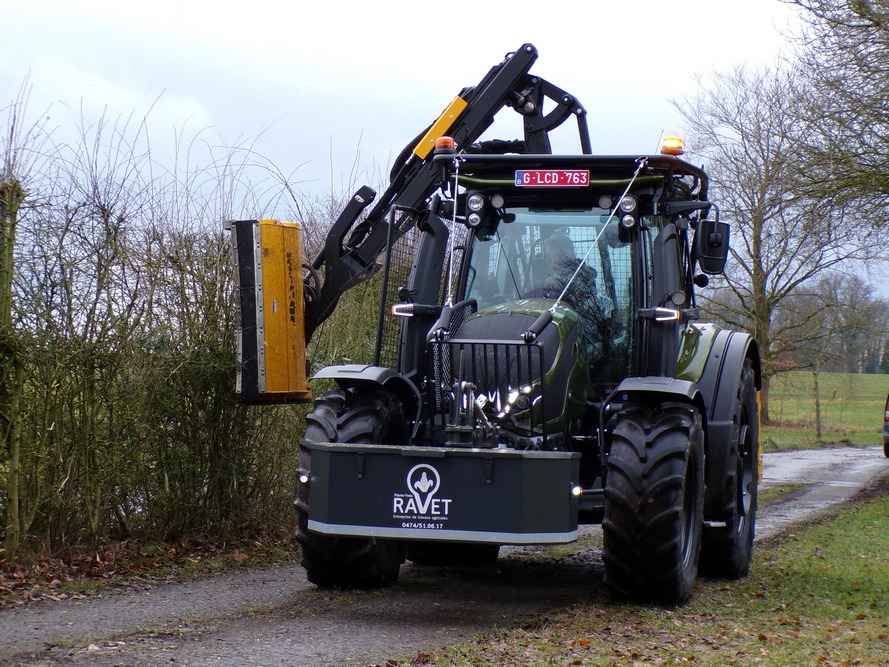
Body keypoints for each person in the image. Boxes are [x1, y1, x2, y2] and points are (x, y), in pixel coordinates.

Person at [542, 233, 614, 357]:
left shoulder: (581, 278)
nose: (547, 260)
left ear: (566, 254)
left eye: (551, 255)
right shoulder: (554, 277)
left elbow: (580, 316)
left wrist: (554, 286)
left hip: (583, 344)